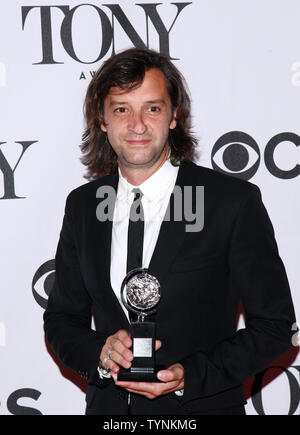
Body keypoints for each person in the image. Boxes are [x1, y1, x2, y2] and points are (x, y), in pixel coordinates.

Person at [44, 47, 296, 415]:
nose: (137, 125)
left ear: (174, 116)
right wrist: (100, 352)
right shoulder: (83, 206)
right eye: (121, 109)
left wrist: (192, 375)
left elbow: (276, 326)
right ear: (102, 120)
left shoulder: (229, 202)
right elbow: (62, 319)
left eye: (153, 108)